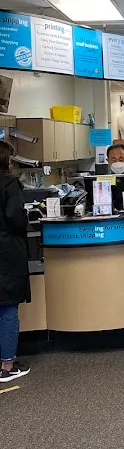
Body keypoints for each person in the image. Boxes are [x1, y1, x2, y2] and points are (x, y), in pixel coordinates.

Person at [0, 141, 30, 381]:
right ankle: (7, 365)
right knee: (8, 308)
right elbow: (16, 218)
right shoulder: (9, 184)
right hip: (6, 253)